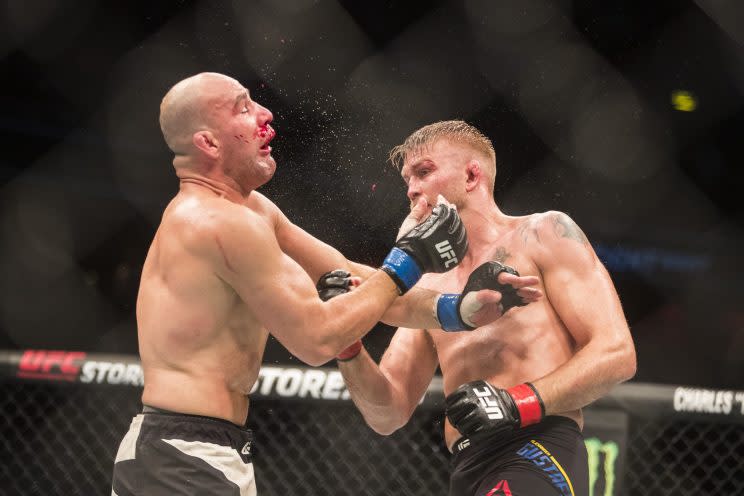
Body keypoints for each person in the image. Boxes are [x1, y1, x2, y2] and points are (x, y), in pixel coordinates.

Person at [110, 74, 542, 495]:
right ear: (208, 143)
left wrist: (457, 309)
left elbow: (353, 278)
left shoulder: (252, 211)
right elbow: (316, 340)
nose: (265, 114)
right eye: (243, 107)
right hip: (183, 458)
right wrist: (407, 260)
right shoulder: (216, 222)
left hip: (197, 451)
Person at [331, 120, 637, 496]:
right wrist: (347, 344)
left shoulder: (543, 234)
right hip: (467, 465)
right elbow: (387, 413)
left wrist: (515, 402)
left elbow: (617, 353)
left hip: (536, 446)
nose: (412, 190)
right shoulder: (427, 288)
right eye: (407, 180)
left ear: (472, 175)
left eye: (424, 172)